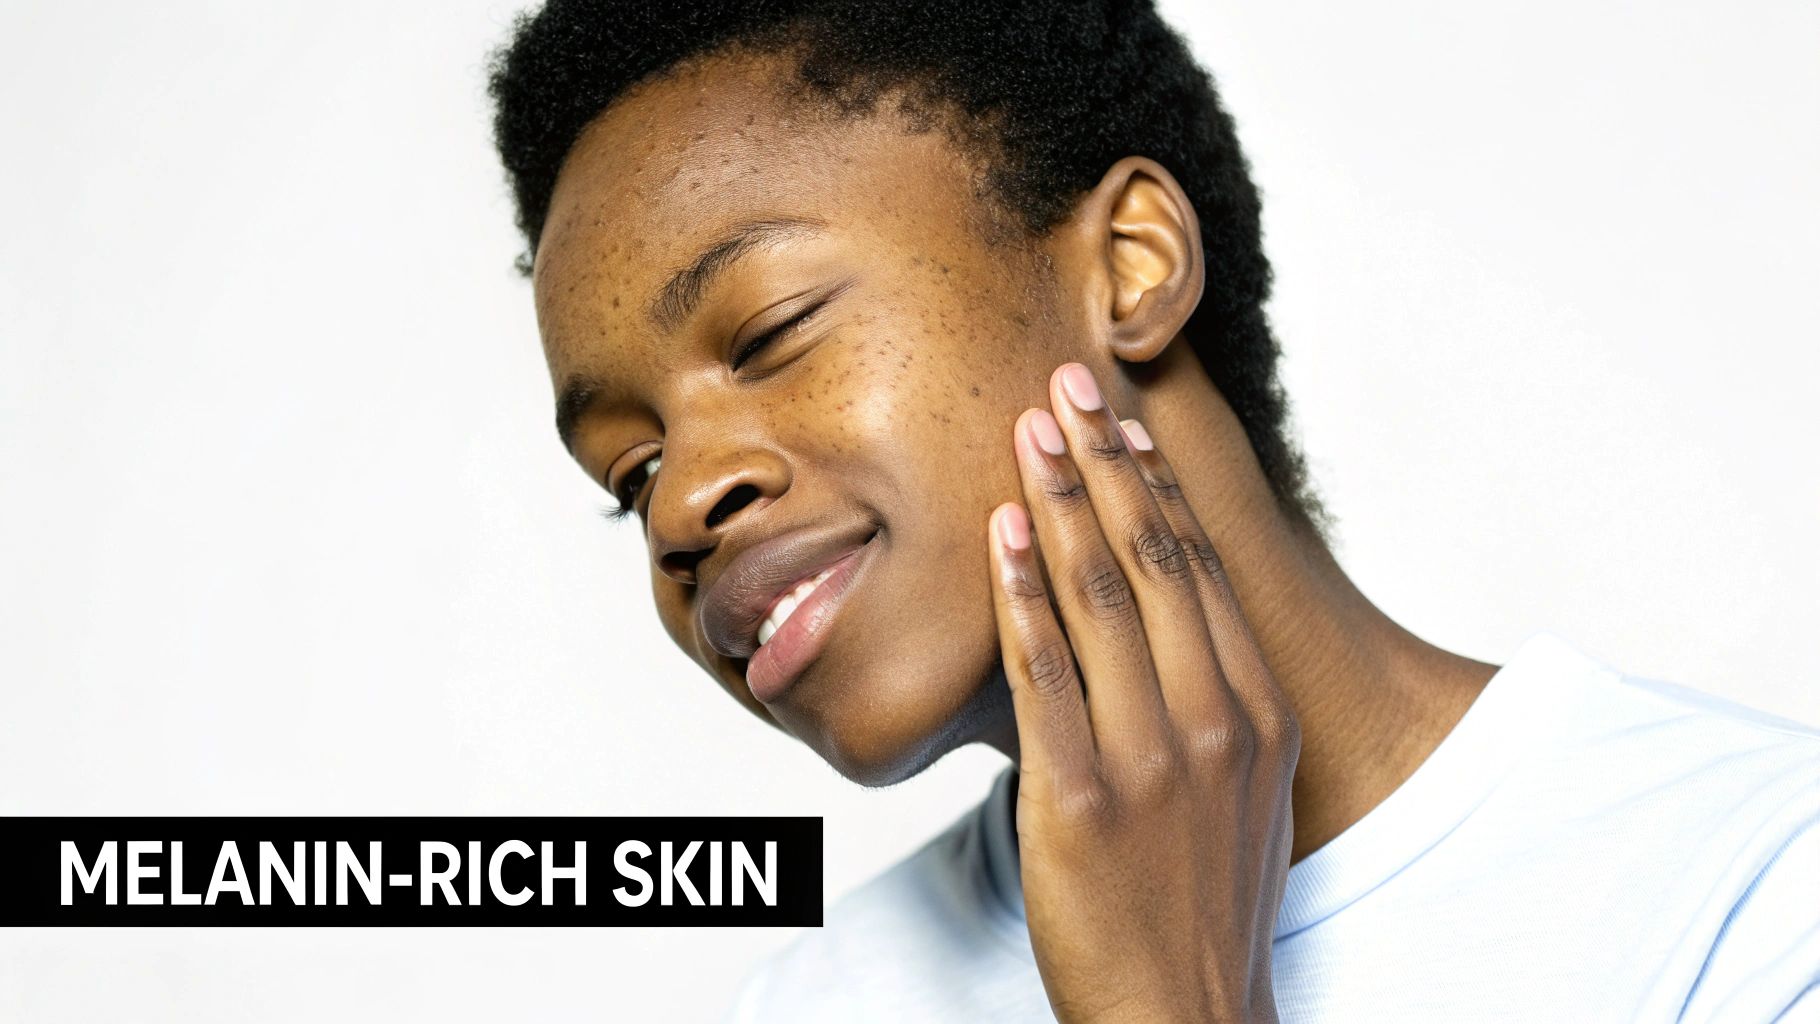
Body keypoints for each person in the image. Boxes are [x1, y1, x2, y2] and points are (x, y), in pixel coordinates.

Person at [486, 1, 1820, 1019]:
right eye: (629, 472)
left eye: (771, 330)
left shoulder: (1751, 897)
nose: (680, 512)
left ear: (1132, 266)